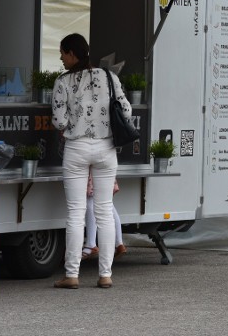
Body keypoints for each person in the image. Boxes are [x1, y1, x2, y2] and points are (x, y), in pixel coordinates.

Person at [51, 33, 131, 289]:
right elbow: (126, 110)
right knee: (104, 210)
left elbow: (59, 121)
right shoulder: (109, 77)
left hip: (76, 148)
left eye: (63, 53)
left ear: (72, 54)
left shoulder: (62, 82)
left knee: (76, 213)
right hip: (106, 148)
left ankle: (72, 275)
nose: (61, 58)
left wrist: (70, 125)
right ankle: (105, 275)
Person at [82, 175, 127, 261]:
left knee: (90, 198)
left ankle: (91, 244)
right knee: (108, 203)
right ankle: (119, 244)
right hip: (106, 167)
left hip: (93, 169)